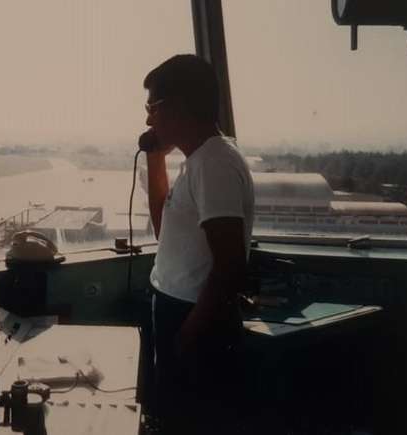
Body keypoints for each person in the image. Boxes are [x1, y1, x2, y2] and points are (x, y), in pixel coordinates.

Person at [142, 54, 254, 433]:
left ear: (177, 106)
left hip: (196, 320)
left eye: (151, 108)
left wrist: (189, 334)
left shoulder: (214, 164)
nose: (148, 119)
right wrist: (156, 159)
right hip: (178, 310)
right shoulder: (196, 162)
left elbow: (230, 265)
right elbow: (164, 230)